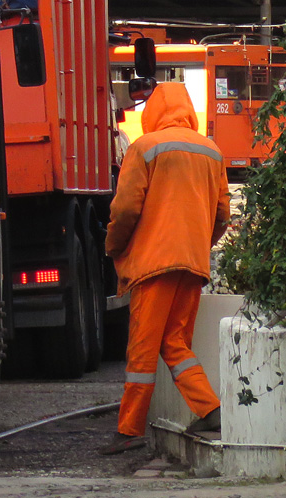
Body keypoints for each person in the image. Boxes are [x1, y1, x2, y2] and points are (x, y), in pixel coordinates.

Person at [98, 81, 231, 455]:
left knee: (142, 351)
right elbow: (222, 214)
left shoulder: (144, 148)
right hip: (192, 263)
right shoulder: (212, 151)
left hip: (154, 265)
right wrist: (198, 243)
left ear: (153, 112)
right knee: (174, 342)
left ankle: (129, 430)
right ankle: (209, 407)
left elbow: (125, 210)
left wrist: (114, 246)